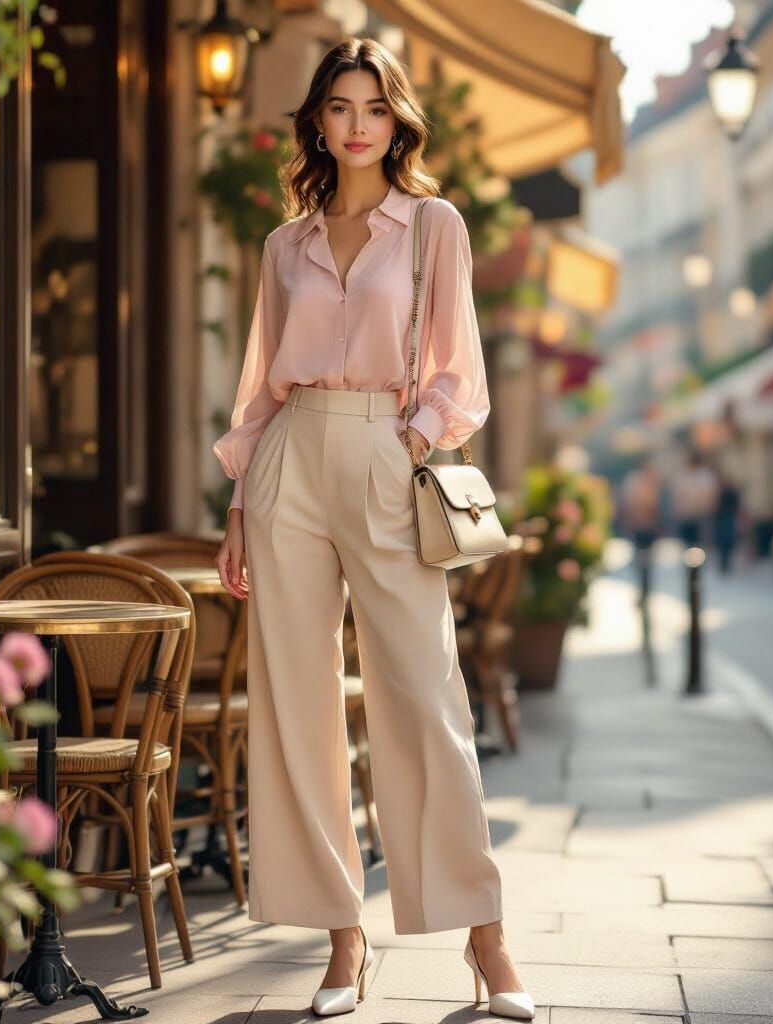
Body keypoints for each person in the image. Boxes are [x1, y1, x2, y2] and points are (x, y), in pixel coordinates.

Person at [211, 38, 533, 1020]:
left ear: (397, 122)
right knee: (296, 706)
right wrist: (236, 505)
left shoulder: (432, 225)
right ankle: (340, 940)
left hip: (385, 458)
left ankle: (487, 939)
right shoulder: (283, 245)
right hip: (288, 467)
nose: (358, 123)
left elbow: (459, 372)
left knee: (423, 694)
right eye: (340, 107)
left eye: (374, 107)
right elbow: (261, 384)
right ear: (317, 122)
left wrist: (416, 440)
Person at [672, 450, 717, 548]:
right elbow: (678, 497)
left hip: (701, 517)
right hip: (686, 517)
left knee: (700, 545)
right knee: (686, 545)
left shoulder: (705, 475)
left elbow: (711, 497)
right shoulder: (682, 476)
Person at [712, 469, 742, 574]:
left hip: (728, 520)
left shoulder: (730, 492)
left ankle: (725, 563)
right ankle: (724, 564)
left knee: (727, 543)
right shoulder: (722, 492)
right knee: (724, 544)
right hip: (723, 520)